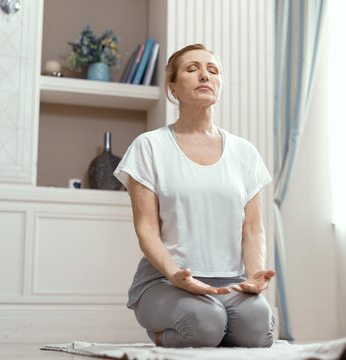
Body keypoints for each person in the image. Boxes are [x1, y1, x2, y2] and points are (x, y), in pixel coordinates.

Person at [113, 44, 276, 348]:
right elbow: (146, 229)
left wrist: (254, 275)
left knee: (259, 331)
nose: (205, 74)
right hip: (165, 281)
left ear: (219, 85)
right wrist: (175, 275)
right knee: (204, 326)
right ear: (172, 87)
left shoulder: (245, 153)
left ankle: (219, 324)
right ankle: (166, 332)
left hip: (229, 283)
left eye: (213, 70)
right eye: (192, 69)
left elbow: (253, 230)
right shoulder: (148, 147)